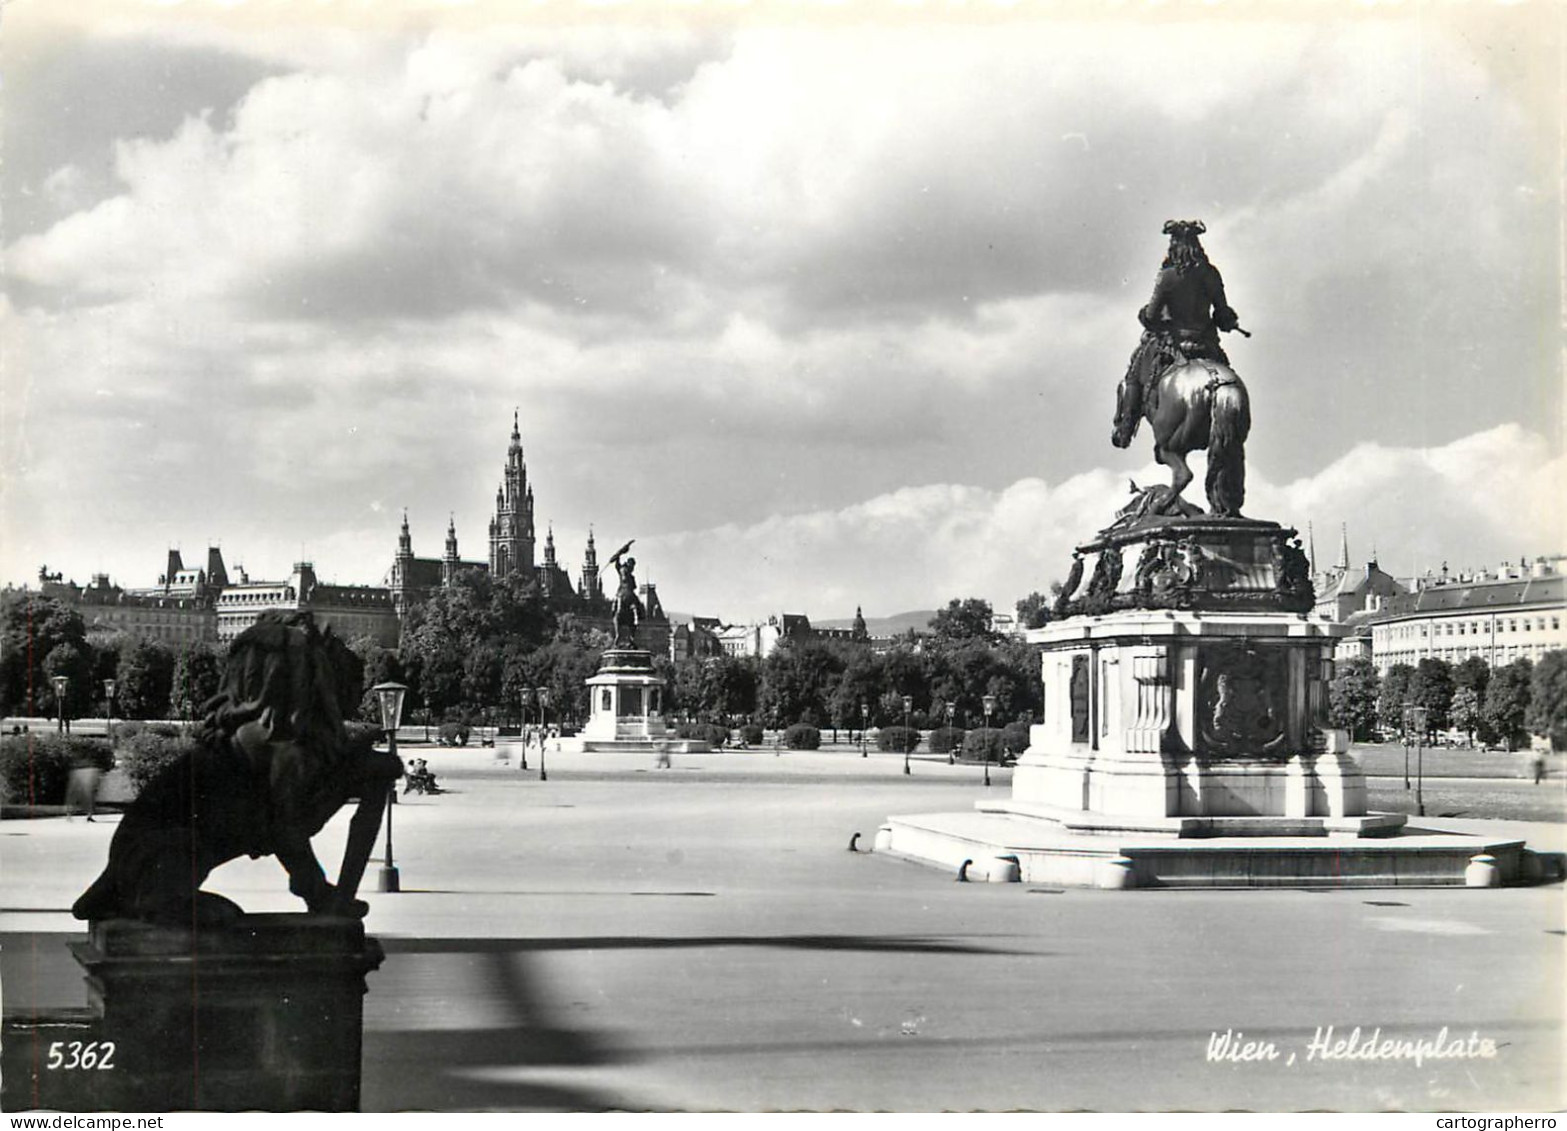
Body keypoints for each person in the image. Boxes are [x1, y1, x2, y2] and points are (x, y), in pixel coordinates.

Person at [1117, 220, 1243, 432]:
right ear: (1197, 245)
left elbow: (1151, 315)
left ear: (1173, 245)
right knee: (1226, 373)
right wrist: (1229, 322)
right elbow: (1222, 313)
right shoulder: (1211, 274)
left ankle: (1126, 427)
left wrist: (1145, 315)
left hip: (1172, 344)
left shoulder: (1167, 275)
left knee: (1134, 372)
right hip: (1206, 344)